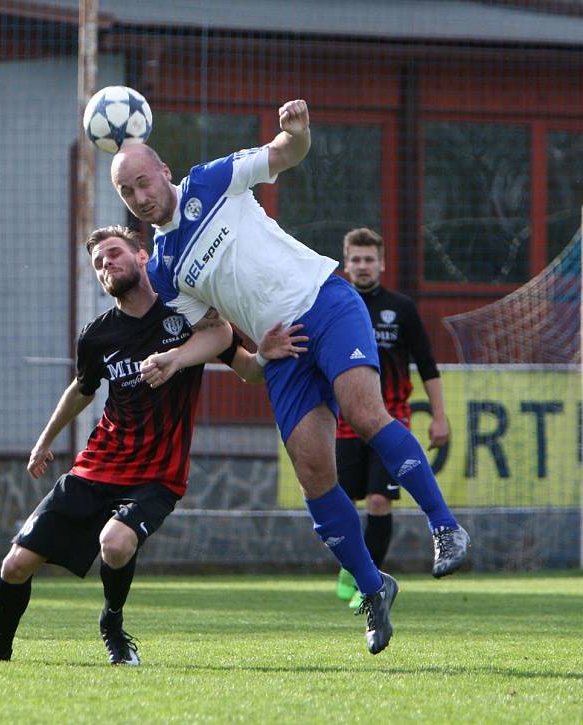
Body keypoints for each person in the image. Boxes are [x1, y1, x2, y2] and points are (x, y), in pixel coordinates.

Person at [111, 99, 470, 655]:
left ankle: (445, 525)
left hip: (323, 302)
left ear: (163, 171)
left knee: (362, 411)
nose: (140, 198)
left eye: (143, 182)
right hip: (280, 350)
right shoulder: (163, 265)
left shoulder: (211, 180)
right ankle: (375, 590)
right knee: (312, 473)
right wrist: (198, 355)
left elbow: (286, 153)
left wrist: (295, 133)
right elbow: (215, 333)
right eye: (127, 193)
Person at [0, 225, 306, 666]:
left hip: (157, 476)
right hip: (96, 467)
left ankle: (112, 624)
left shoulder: (184, 313)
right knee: (14, 566)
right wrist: (44, 440)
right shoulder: (97, 336)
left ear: (141, 255)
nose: (107, 265)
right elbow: (83, 388)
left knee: (116, 542)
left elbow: (246, 368)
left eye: (114, 254)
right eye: (99, 263)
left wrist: (264, 354)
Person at [335, 227, 451, 609]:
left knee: (379, 502)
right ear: (346, 263)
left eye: (370, 259)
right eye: (356, 259)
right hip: (343, 424)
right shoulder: (333, 304)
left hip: (391, 421)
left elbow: (428, 366)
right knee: (342, 503)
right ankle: (355, 566)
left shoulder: (401, 308)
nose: (363, 266)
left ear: (381, 264)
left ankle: (370, 587)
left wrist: (440, 417)